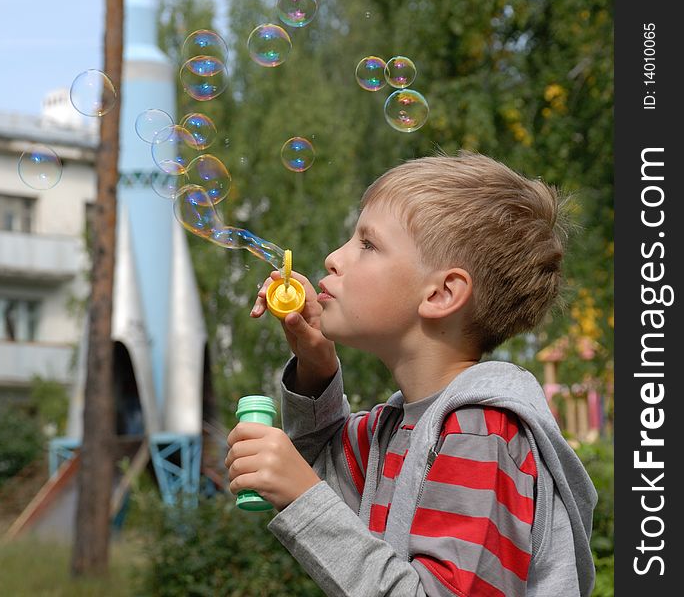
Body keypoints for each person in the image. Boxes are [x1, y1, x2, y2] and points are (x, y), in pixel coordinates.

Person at [225, 152, 598, 596]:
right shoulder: (396, 428)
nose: (332, 258)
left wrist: (302, 496)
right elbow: (317, 467)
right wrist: (315, 364)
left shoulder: (481, 432)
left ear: (441, 294)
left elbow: (310, 491)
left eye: (367, 244)